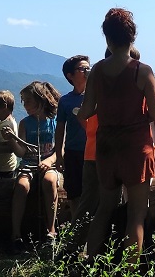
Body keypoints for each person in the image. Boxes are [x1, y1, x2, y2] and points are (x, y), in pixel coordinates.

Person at [78, 8, 155, 262]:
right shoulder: (143, 71)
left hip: (106, 147)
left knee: (103, 209)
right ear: (132, 37)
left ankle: (93, 265)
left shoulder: (96, 71)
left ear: (107, 39)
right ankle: (128, 270)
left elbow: (85, 113)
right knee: (136, 214)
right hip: (135, 148)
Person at [9, 81, 63, 252]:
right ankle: (16, 235)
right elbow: (21, 152)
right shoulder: (25, 123)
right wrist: (12, 139)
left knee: (49, 181)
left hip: (50, 163)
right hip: (28, 164)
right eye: (23, 101)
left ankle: (51, 231)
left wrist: (49, 162)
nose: (25, 105)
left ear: (41, 100)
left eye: (28, 101)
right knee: (21, 186)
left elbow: (60, 148)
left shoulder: (55, 121)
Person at [55, 55, 91, 216]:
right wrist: (58, 154)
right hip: (73, 152)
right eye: (82, 68)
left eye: (88, 67)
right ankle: (77, 229)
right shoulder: (65, 101)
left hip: (94, 152)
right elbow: (60, 128)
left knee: (92, 192)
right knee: (74, 192)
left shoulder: (98, 96)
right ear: (70, 75)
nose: (87, 71)